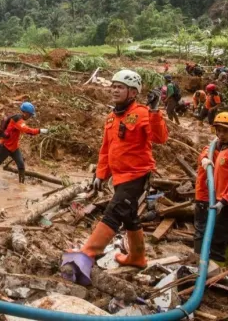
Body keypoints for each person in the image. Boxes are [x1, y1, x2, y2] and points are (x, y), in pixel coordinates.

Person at [62, 70, 168, 277]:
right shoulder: (111, 118)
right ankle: (137, 257)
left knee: (114, 211)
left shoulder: (143, 112)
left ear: (133, 92)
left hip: (136, 175)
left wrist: (155, 111)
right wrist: (101, 174)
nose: (115, 90)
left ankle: (88, 253)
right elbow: (106, 149)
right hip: (119, 176)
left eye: (120, 87)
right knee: (129, 217)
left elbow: (160, 138)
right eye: (114, 86)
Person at [194, 112, 228, 264]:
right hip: (222, 200)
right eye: (219, 130)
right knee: (220, 236)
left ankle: (216, 277)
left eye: (226, 131)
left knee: (218, 241)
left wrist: (222, 202)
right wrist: (204, 159)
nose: (221, 134)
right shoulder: (221, 147)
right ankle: (227, 265)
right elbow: (206, 151)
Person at [0, 102, 49, 183]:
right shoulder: (18, 120)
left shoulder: (20, 119)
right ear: (26, 113)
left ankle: (21, 184)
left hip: (14, 147)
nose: (30, 117)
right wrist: (40, 130)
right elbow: (28, 131)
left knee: (21, 165)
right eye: (30, 115)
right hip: (5, 146)